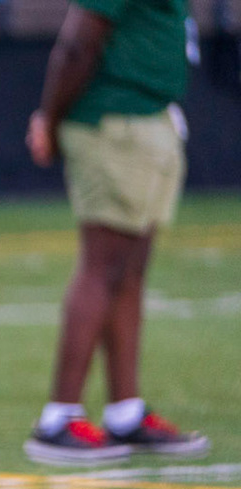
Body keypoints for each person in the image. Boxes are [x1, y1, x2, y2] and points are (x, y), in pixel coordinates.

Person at [24, 0, 209, 464]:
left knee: (130, 271)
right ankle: (59, 417)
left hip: (148, 117)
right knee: (103, 267)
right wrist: (49, 116)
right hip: (114, 121)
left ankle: (125, 411)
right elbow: (78, 43)